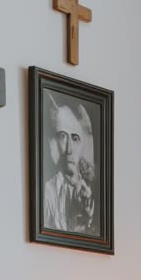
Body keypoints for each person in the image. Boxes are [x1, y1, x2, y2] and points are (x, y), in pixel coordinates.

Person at [43, 96, 97, 234]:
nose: (69, 149)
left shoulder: (87, 192)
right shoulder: (47, 192)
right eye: (62, 136)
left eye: (75, 138)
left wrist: (87, 220)